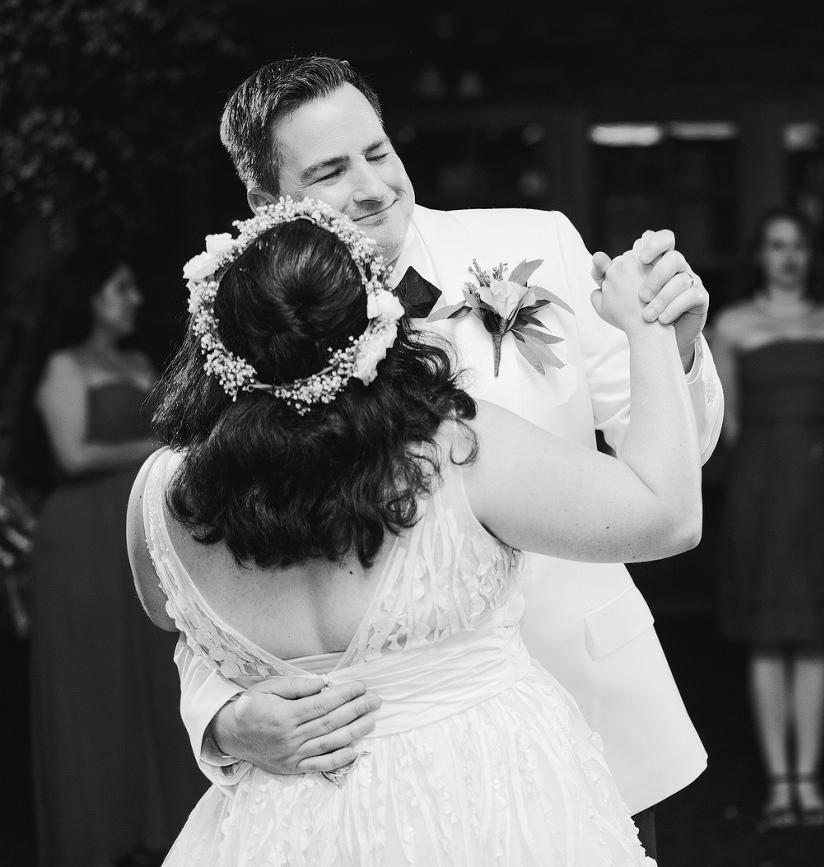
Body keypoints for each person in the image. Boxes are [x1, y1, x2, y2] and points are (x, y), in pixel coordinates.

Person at [172, 57, 723, 857]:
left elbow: (669, 464)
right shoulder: (245, 334)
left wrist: (673, 352)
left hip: (587, 708)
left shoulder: (537, 243)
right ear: (265, 203)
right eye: (329, 171)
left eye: (378, 151)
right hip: (378, 772)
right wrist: (221, 715)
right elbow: (202, 567)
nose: (372, 187)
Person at [27, 261, 206, 866]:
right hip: (80, 536)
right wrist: (160, 446)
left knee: (150, 667)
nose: (132, 298)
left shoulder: (138, 364)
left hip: (138, 528)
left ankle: (157, 829)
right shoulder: (63, 366)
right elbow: (72, 453)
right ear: (90, 296)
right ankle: (97, 834)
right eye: (119, 287)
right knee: (95, 673)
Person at [711, 209, 824, 827]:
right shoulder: (733, 324)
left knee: (815, 633)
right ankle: (779, 783)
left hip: (822, 484)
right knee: (768, 634)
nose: (789, 257)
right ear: (759, 255)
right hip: (760, 486)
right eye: (776, 246)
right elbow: (730, 417)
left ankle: (810, 779)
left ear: (811, 255)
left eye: (798, 246)